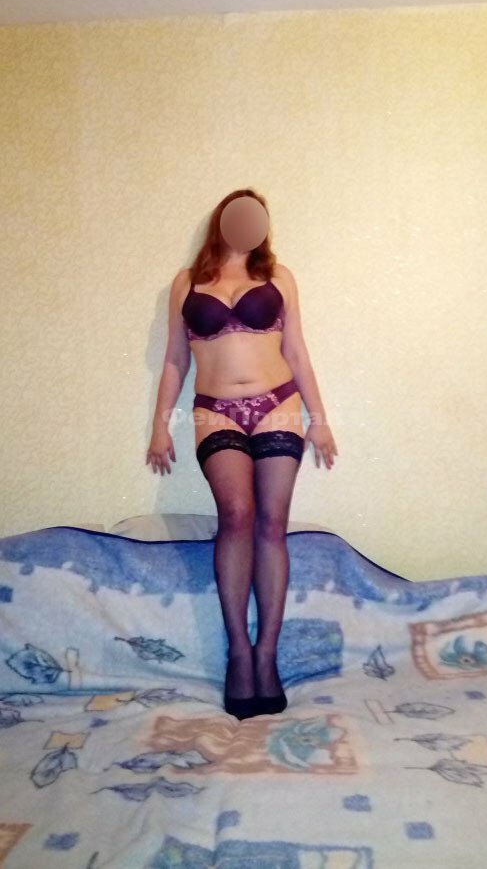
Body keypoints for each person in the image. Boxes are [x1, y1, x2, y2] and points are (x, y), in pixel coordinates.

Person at [146, 188, 338, 720]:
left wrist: (319, 420)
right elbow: (174, 361)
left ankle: (266, 656)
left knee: (272, 524)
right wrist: (160, 426)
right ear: (222, 221)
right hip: (215, 410)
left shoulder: (279, 277)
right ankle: (237, 653)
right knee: (236, 515)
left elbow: (297, 350)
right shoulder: (187, 281)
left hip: (280, 405)